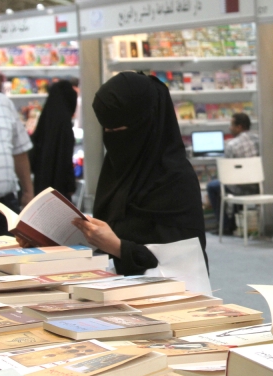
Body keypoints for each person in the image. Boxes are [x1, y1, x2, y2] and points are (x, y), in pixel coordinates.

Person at [72, 72, 207, 276]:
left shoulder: (175, 179)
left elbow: (183, 261)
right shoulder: (117, 170)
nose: (114, 139)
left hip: (164, 300)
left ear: (145, 125)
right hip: (110, 289)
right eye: (107, 131)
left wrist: (118, 247)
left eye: (119, 130)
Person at [0, 49, 34, 237]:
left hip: (5, 207)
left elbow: (19, 151)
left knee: (8, 262)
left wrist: (28, 191)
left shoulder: (3, 103)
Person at [206, 112, 259, 234]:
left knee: (213, 186)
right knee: (231, 183)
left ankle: (225, 226)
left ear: (239, 127)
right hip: (258, 185)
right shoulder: (259, 140)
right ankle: (236, 223)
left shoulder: (231, 144)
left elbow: (227, 174)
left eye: (231, 125)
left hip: (239, 187)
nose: (230, 128)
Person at [30, 80, 78, 201]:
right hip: (60, 187)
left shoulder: (44, 120)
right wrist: (70, 184)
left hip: (40, 185)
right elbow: (66, 159)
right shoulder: (65, 124)